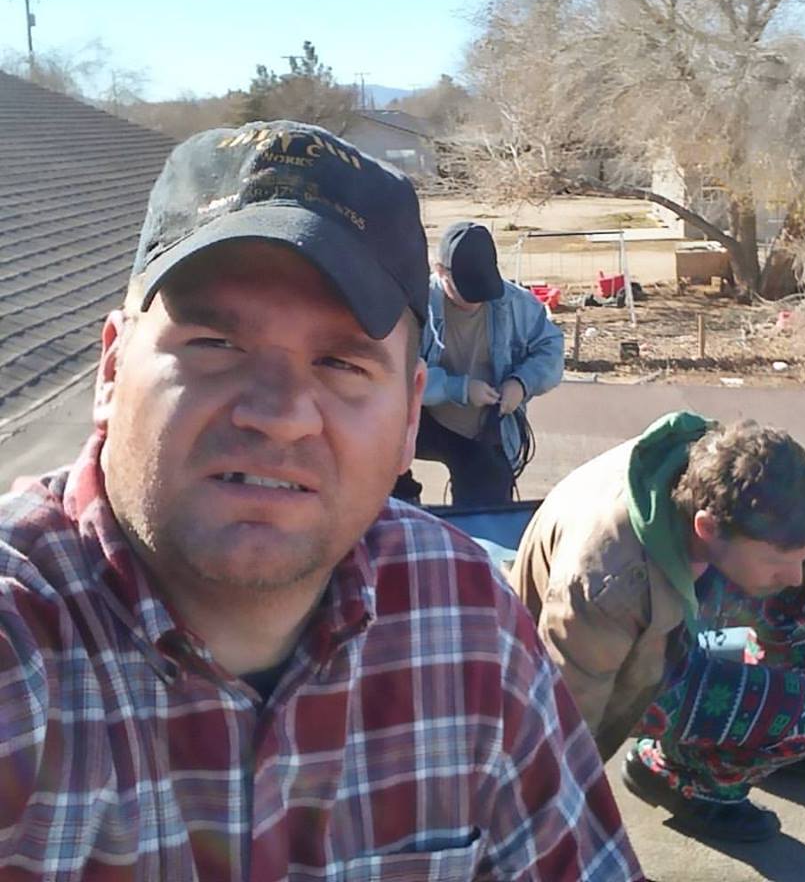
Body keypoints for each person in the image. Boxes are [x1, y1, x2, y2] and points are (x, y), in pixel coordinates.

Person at [0, 121, 644, 881]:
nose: (278, 414)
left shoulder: (468, 622)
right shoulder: (24, 643)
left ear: (407, 416)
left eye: (341, 363)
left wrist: (513, 386)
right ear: (111, 371)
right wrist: (459, 386)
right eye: (214, 344)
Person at [509, 411, 805, 843]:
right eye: (777, 560)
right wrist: (553, 833)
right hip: (613, 670)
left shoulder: (733, 482)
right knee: (802, 716)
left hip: (661, 613)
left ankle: (758, 741)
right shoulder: (609, 587)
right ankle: (676, 776)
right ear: (708, 528)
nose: (794, 574)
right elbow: (567, 723)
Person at [393, 221, 563, 506]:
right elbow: (394, 372)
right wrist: (458, 388)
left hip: (482, 428)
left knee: (486, 515)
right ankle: (403, 508)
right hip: (419, 419)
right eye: (467, 288)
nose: (477, 298)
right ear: (440, 271)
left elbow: (552, 349)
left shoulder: (514, 302)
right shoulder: (413, 305)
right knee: (374, 449)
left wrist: (521, 384)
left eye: (483, 287)